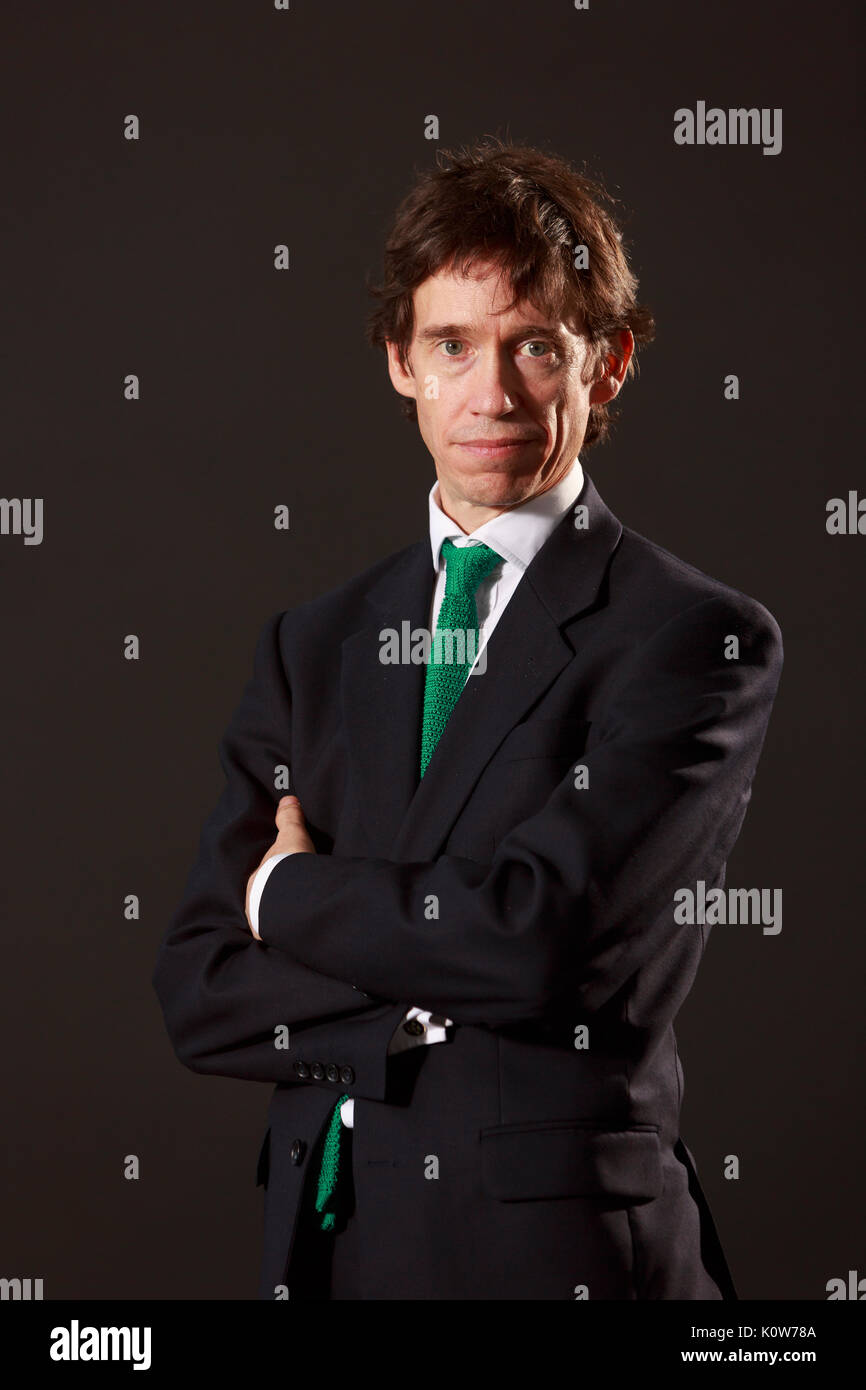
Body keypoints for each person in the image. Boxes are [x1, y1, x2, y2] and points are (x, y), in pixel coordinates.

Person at [152, 138, 783, 1300]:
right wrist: (426, 991)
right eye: (451, 345)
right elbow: (199, 985)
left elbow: (537, 942)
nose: (490, 394)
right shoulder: (313, 645)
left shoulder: (691, 637)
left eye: (534, 346)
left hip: (551, 1261)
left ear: (609, 363)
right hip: (325, 1248)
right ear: (400, 360)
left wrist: (287, 898)